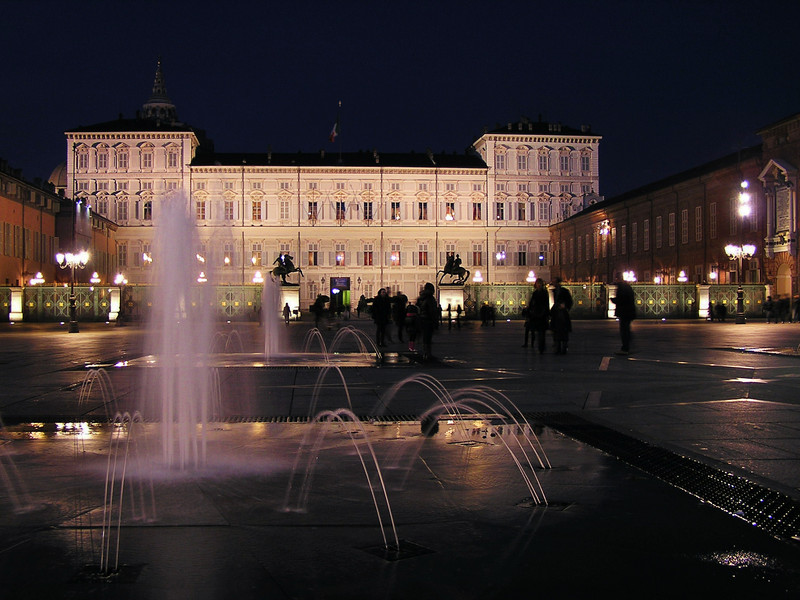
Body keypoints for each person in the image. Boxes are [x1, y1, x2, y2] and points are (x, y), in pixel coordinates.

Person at [611, 276, 636, 354]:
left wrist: (613, 300)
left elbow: (621, 300)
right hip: (629, 311)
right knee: (626, 329)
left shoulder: (622, 288)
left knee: (624, 330)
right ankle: (627, 346)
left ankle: (625, 348)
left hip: (624, 312)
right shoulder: (627, 287)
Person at [524, 278, 550, 353]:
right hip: (536, 314)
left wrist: (546, 313)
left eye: (540, 284)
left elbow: (546, 304)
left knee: (541, 331)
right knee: (537, 331)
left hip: (542, 314)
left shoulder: (544, 293)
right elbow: (532, 303)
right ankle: (539, 345)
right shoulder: (535, 293)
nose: (538, 285)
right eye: (537, 284)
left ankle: (541, 346)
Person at [550, 277, 573, 354]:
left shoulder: (563, 291)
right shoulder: (555, 291)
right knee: (557, 331)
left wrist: (565, 306)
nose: (553, 283)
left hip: (562, 313)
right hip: (557, 313)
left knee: (562, 331)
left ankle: (563, 347)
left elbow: (569, 301)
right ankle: (558, 347)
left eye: (554, 282)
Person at [416, 282, 439, 360]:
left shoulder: (421, 298)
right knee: (428, 338)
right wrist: (435, 322)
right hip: (428, 320)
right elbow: (432, 311)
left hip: (421, 320)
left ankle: (425, 352)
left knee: (425, 338)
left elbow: (417, 308)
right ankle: (428, 353)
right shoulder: (430, 298)